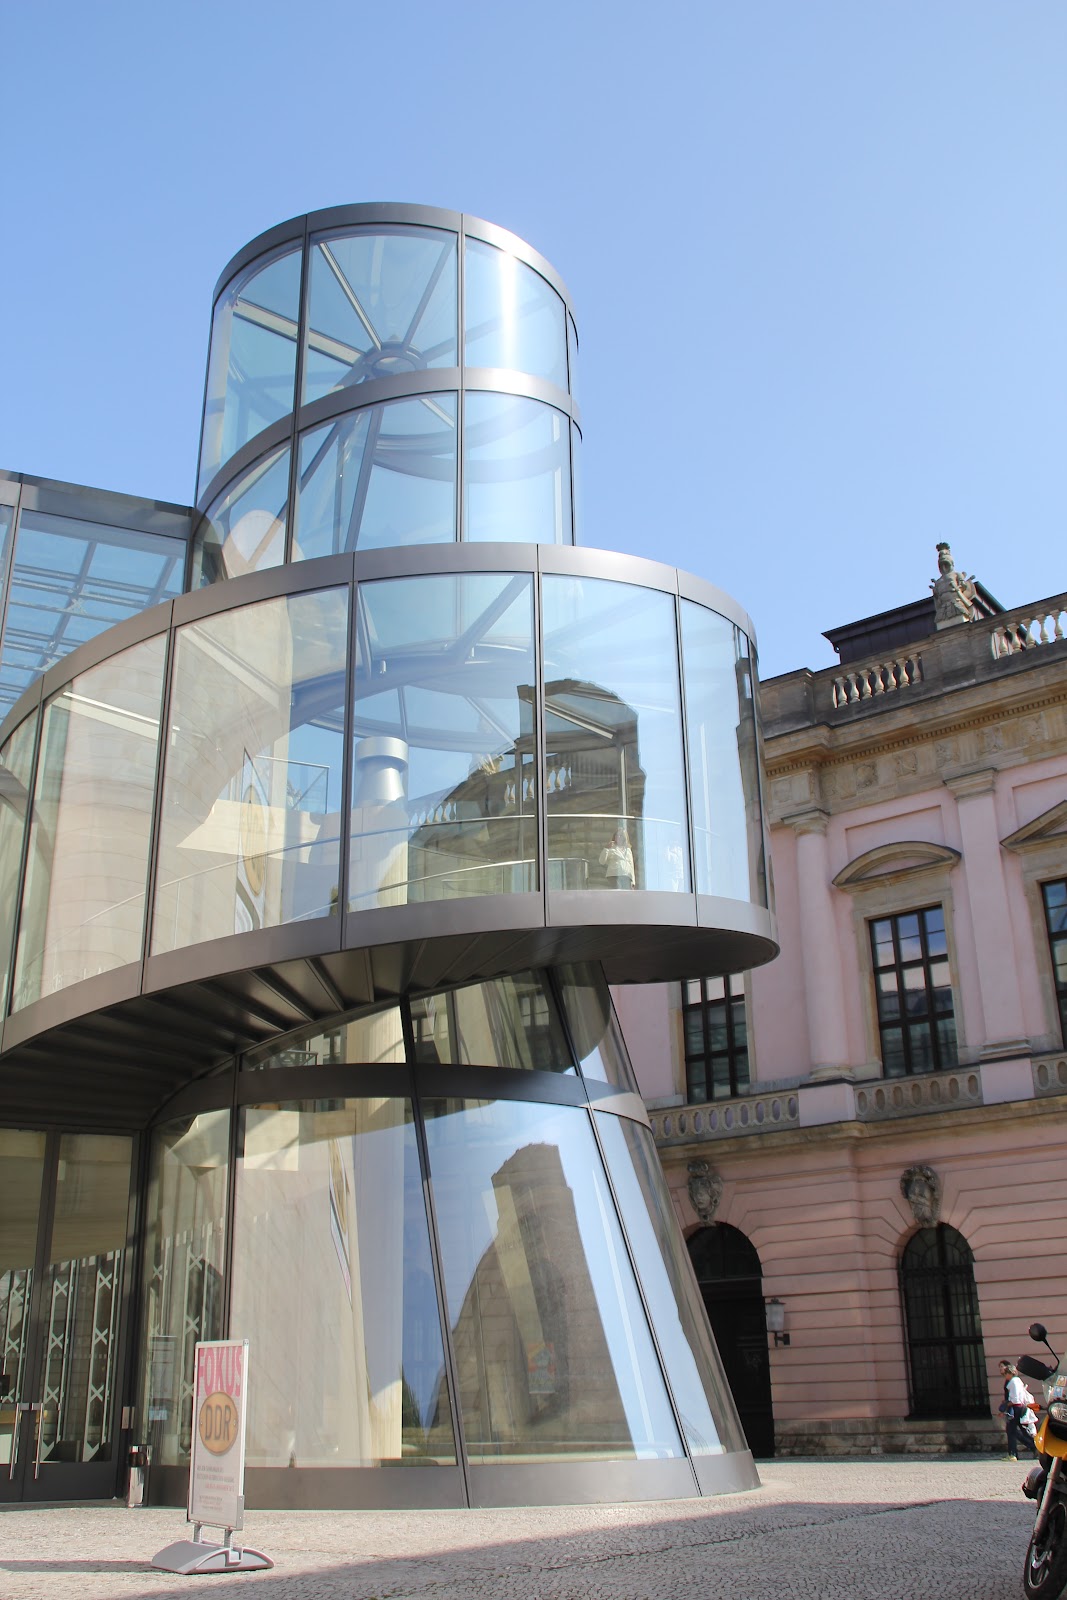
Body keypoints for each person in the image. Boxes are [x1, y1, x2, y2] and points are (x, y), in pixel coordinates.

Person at [999, 1360, 1039, 1460]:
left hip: (1016, 1408)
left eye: (1005, 1374)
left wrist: (1005, 1406)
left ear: (1009, 1373)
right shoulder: (1017, 1381)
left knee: (1011, 1431)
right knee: (1020, 1430)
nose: (1005, 1376)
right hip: (1019, 1407)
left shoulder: (1013, 1382)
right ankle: (1034, 1447)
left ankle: (1013, 1453)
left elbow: (1015, 1399)